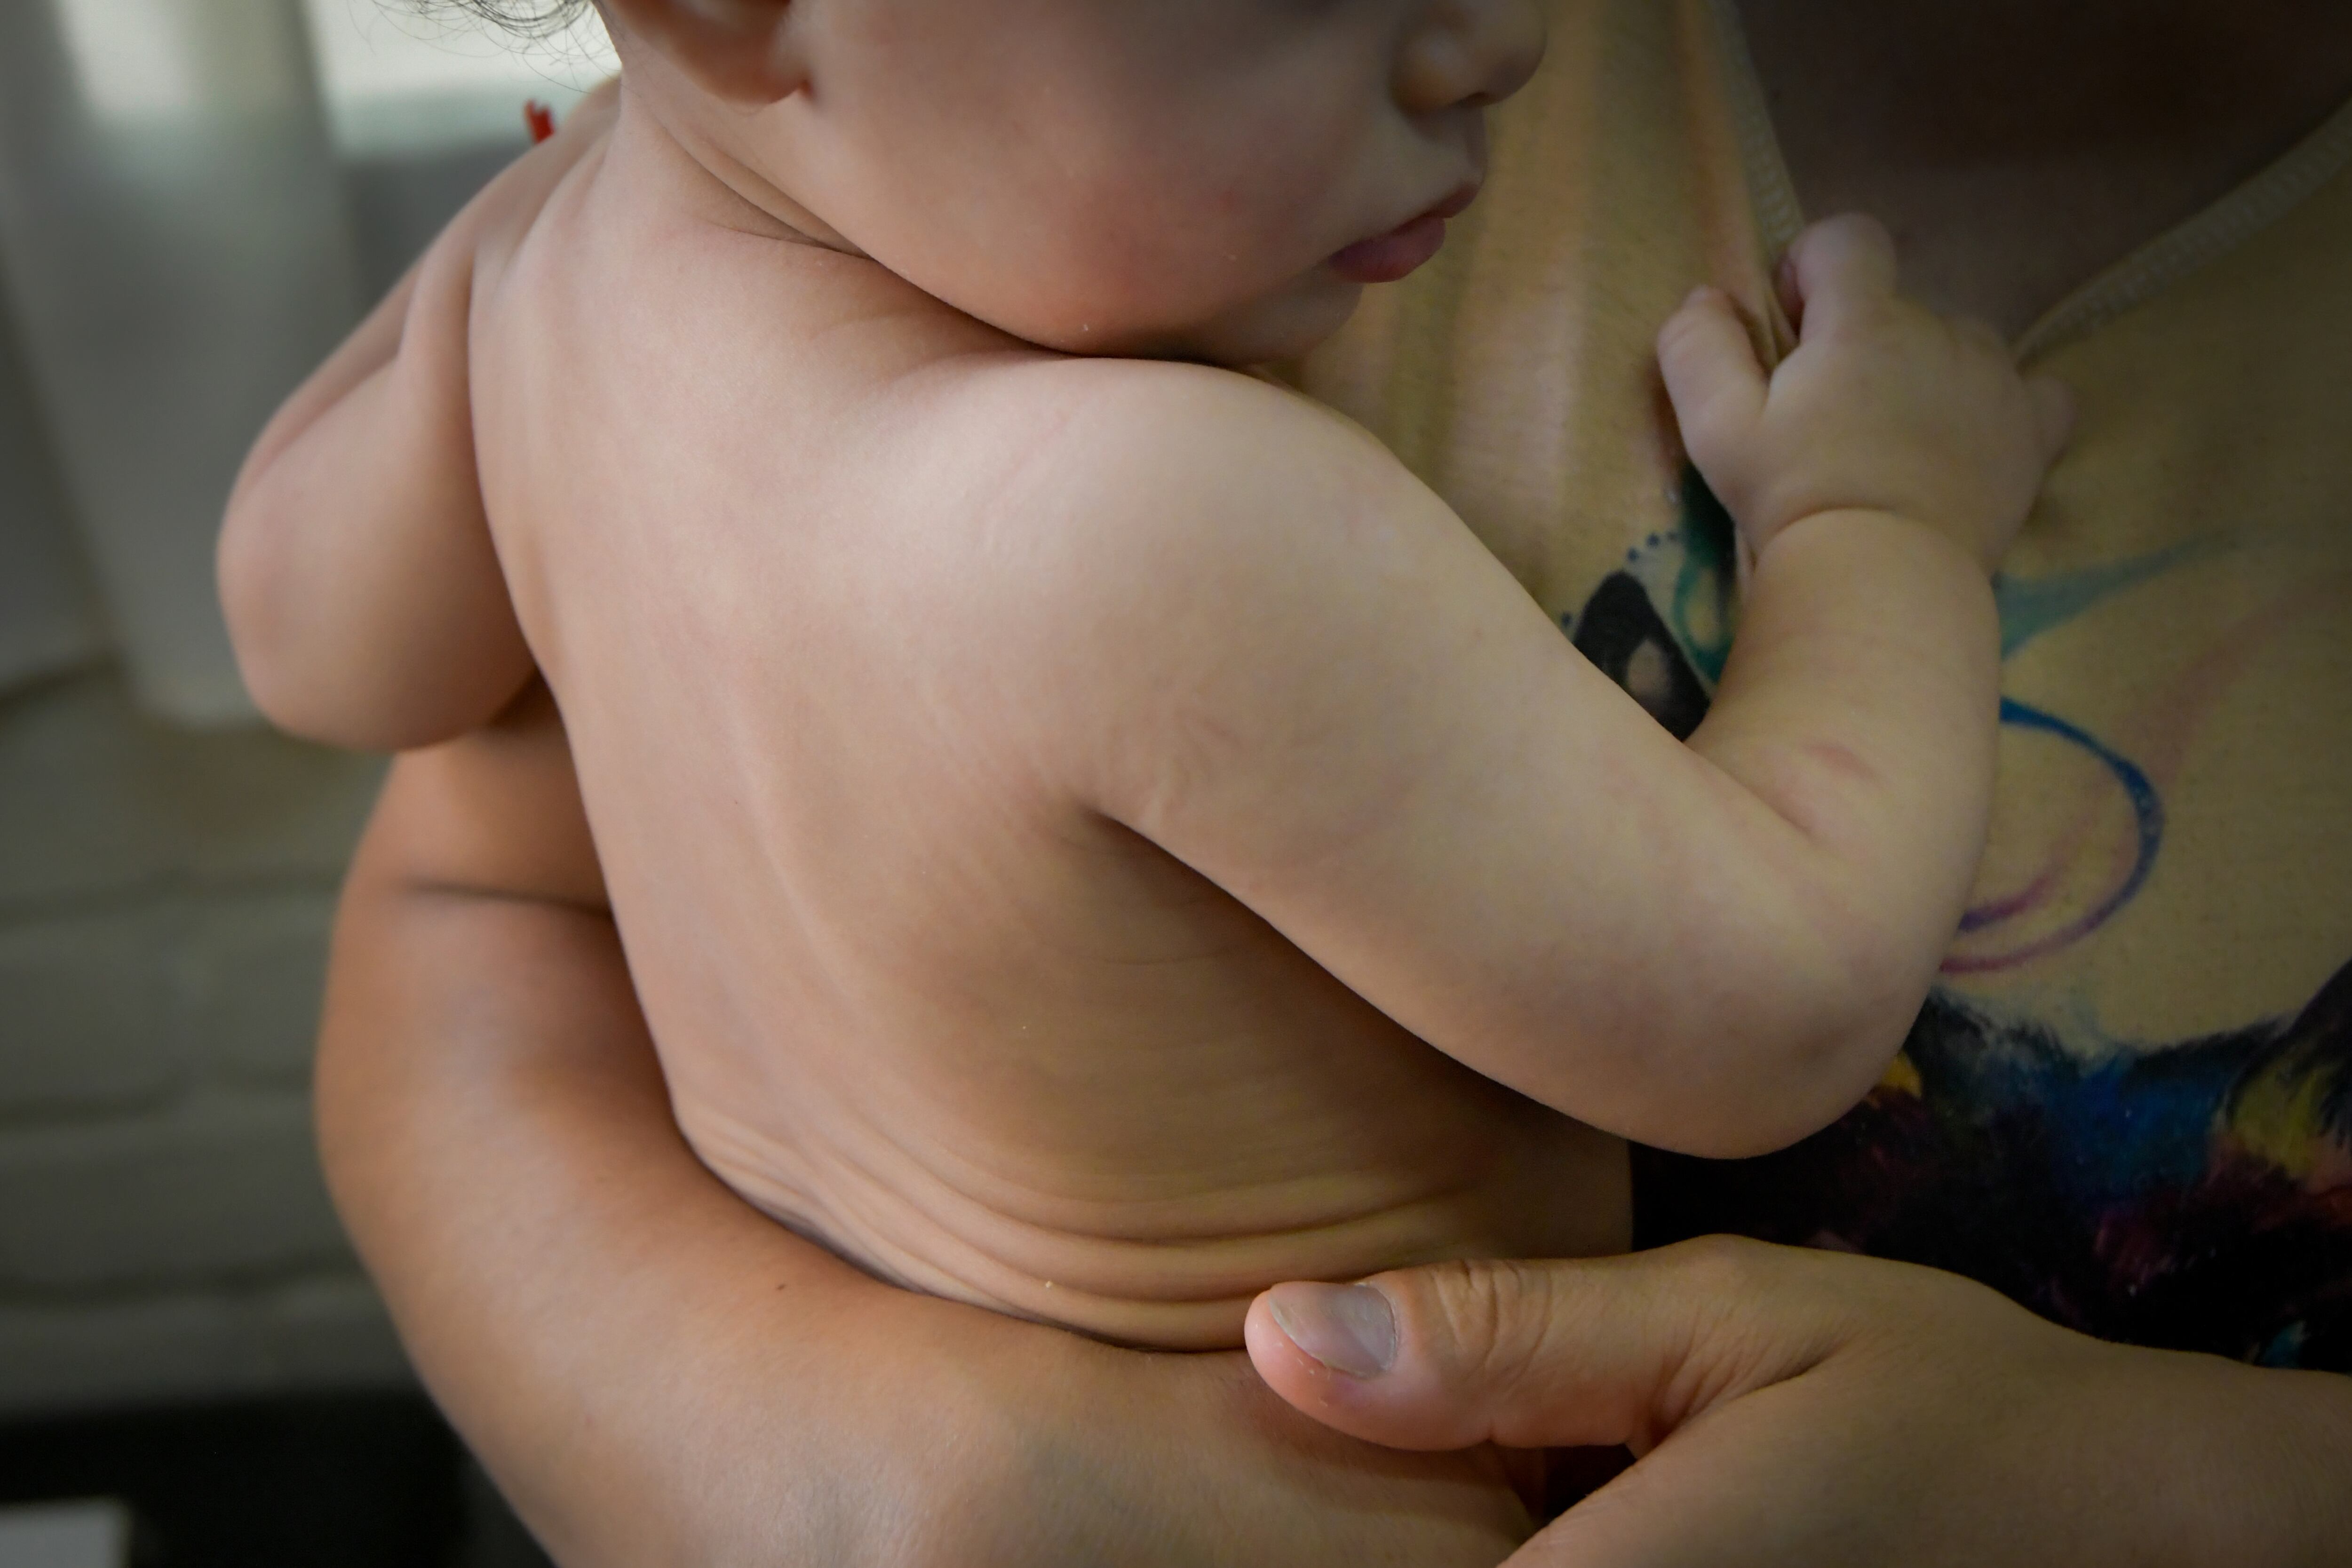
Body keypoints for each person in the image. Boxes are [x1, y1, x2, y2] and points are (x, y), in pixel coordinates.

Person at [314, 0, 2352, 1561]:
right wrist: (1870, 527)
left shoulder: (540, 267)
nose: (1498, 38)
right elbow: (1776, 1003)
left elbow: (311, 643)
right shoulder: (1169, 516)